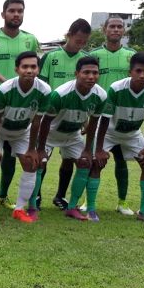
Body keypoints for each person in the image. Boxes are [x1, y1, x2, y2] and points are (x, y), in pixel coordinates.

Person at [0, 0, 41, 210]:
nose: (16, 14)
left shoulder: (30, 40)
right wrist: (6, 82)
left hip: (20, 105)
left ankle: (3, 195)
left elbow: (33, 66)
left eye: (20, 11)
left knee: (12, 154)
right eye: (12, 11)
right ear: (3, 14)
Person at [91, 52, 144, 224]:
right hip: (109, 132)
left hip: (133, 134)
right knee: (95, 163)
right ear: (130, 72)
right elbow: (104, 119)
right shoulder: (117, 88)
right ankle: (91, 209)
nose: (142, 75)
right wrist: (100, 149)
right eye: (138, 71)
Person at [32, 56, 106, 221]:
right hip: (50, 134)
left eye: (95, 73)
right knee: (39, 163)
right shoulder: (60, 94)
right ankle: (32, 205)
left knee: (86, 163)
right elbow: (45, 122)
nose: (91, 76)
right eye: (86, 72)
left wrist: (88, 150)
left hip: (73, 136)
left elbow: (93, 124)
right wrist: (41, 149)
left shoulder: (100, 95)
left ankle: (72, 207)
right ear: (76, 73)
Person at [32, 18, 91, 212]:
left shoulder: (85, 59)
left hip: (75, 116)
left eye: (84, 42)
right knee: (42, 157)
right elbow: (40, 85)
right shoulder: (51, 57)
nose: (80, 44)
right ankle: (37, 195)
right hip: (51, 115)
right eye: (77, 40)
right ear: (69, 35)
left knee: (70, 159)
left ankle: (60, 195)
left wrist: (86, 118)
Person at [0, 51, 51, 223]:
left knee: (31, 164)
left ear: (38, 69)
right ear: (17, 69)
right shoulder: (5, 89)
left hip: (22, 132)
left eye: (33, 67)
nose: (29, 70)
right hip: (0, 131)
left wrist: (33, 149)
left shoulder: (45, 90)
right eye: (25, 67)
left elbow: (37, 121)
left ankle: (19, 209)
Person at [85, 16, 136, 215]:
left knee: (122, 160)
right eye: (112, 26)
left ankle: (122, 202)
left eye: (119, 27)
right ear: (104, 29)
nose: (115, 30)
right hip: (98, 115)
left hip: (123, 116)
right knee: (93, 159)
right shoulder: (94, 54)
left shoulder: (131, 55)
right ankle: (86, 201)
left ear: (123, 31)